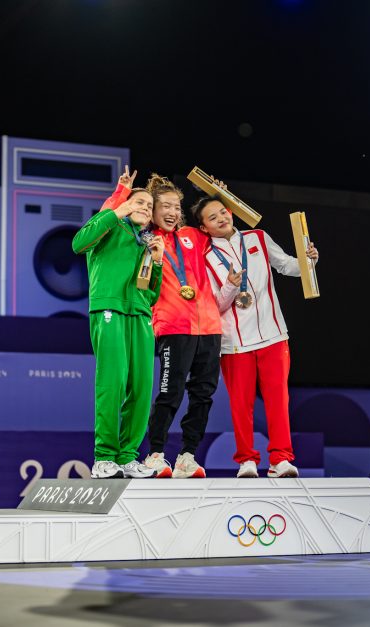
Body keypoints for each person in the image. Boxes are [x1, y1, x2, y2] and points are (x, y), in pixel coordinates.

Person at [195, 197, 319, 478]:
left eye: (223, 212)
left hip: (273, 334)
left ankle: (280, 459)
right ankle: (246, 460)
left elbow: (288, 266)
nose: (222, 219)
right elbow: (214, 305)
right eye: (212, 218)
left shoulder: (258, 238)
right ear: (204, 228)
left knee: (279, 400)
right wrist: (229, 285)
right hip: (234, 343)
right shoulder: (205, 258)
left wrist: (308, 261)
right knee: (241, 405)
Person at [72, 166, 165, 479]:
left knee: (141, 388)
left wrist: (159, 261)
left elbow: (149, 295)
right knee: (112, 384)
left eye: (149, 206)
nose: (145, 208)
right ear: (126, 206)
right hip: (109, 309)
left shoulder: (146, 243)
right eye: (139, 203)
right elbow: (77, 243)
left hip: (139, 316)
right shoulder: (108, 228)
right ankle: (104, 457)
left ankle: (127, 456)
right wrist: (117, 207)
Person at [141, 174, 223, 479]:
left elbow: (225, 230)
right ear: (152, 209)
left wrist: (219, 197)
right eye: (166, 206)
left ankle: (187, 456)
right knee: (170, 392)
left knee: (203, 394)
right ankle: (155, 454)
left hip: (210, 327)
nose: (173, 212)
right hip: (174, 326)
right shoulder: (145, 240)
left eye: (177, 206)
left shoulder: (193, 235)